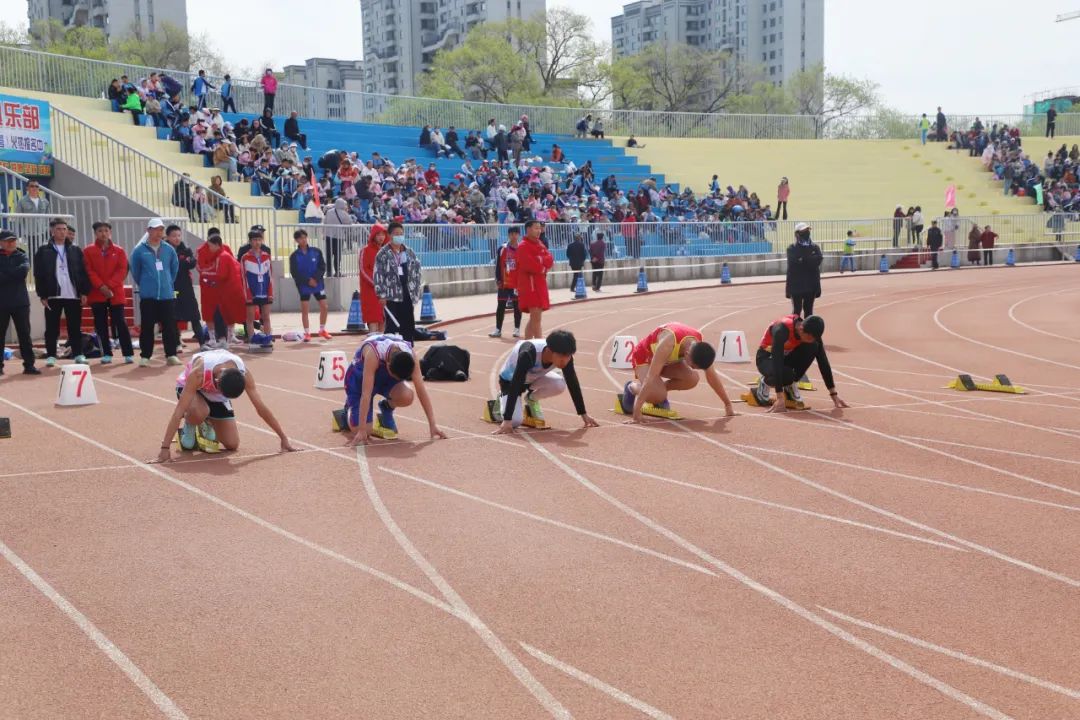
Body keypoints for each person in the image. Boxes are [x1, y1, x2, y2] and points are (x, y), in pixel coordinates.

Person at [152, 347, 296, 463]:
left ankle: (208, 420)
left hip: (216, 398)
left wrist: (283, 438)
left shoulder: (244, 374)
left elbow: (260, 408)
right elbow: (178, 412)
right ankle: (192, 423)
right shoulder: (199, 373)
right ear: (217, 378)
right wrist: (164, 448)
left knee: (232, 444)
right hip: (191, 389)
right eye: (218, 389)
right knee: (199, 413)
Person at [342, 333, 446, 445]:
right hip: (359, 379)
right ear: (387, 364)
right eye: (395, 376)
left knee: (407, 396)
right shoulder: (373, 354)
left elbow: (421, 390)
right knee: (364, 431)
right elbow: (366, 394)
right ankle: (348, 409)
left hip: (383, 379)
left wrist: (432, 424)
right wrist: (361, 430)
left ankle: (386, 407)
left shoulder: (410, 354)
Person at [619, 322, 733, 423]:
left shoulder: (699, 347)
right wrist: (637, 411)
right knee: (658, 395)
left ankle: (658, 393)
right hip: (645, 357)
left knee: (692, 379)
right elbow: (651, 376)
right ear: (687, 354)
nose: (692, 368)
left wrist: (727, 404)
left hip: (666, 361)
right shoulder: (668, 344)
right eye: (692, 365)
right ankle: (632, 387)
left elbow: (712, 376)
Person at [493, 330, 599, 434]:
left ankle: (531, 399)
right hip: (510, 381)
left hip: (533, 378)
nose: (565, 360)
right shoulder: (528, 353)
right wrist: (507, 420)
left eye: (568, 356)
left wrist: (583, 414)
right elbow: (516, 383)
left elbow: (572, 382)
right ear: (549, 350)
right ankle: (499, 400)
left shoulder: (566, 356)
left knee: (559, 384)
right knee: (515, 421)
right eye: (561, 356)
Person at [749, 314, 848, 413]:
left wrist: (833, 394)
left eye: (813, 338)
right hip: (766, 358)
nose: (811, 340)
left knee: (814, 346)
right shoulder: (782, 329)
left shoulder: (811, 332)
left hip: (785, 357)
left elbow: (823, 361)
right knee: (787, 375)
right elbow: (777, 361)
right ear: (801, 329)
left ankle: (789, 386)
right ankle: (764, 384)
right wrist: (780, 397)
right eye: (809, 338)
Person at [33, 218, 89, 367]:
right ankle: (51, 355)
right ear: (52, 231)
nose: (63, 232)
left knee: (75, 326)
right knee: (52, 327)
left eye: (64, 229)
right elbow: (38, 274)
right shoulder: (43, 250)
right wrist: (42, 295)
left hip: (72, 294)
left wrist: (83, 292)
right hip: (53, 294)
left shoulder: (75, 249)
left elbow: (82, 272)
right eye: (59, 229)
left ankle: (78, 353)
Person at [129, 218, 181, 366]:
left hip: (166, 295)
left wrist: (167, 283)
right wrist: (146, 284)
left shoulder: (169, 249)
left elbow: (174, 269)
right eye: (155, 229)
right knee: (147, 326)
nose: (159, 232)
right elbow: (136, 271)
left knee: (169, 326)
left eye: (161, 229)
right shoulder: (139, 251)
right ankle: (145, 355)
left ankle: (171, 354)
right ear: (148, 231)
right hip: (148, 295)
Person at [83, 221, 134, 364]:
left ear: (110, 232)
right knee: (100, 324)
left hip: (115, 292)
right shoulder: (88, 251)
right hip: (97, 293)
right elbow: (89, 270)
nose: (103, 233)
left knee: (120, 322)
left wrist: (109, 286)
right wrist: (101, 286)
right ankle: (106, 352)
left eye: (106, 230)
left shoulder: (119, 250)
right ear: (95, 233)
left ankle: (128, 353)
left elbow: (122, 270)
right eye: (100, 231)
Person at [374, 222, 421, 342]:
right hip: (391, 294)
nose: (399, 236)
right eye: (396, 234)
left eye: (401, 234)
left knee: (408, 323)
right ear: (389, 235)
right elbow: (378, 274)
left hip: (407, 293)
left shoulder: (409, 252)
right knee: (392, 325)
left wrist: (415, 291)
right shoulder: (383, 254)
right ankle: (390, 352)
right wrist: (381, 294)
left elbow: (417, 271)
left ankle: (408, 349)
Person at [0, 230, 39, 375]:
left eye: (13, 240)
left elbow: (23, 271)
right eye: (7, 241)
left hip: (20, 302)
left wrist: (6, 273)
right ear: (1, 243)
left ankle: (29, 365)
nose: (11, 243)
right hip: (1, 302)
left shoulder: (22, 255)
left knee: (24, 335)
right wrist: (12, 274)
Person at [196, 229, 244, 346]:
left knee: (228, 309)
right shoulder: (201, 250)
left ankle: (230, 335)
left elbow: (233, 266)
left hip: (224, 286)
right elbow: (200, 268)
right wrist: (215, 270)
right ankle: (212, 337)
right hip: (208, 286)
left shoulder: (225, 249)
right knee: (208, 311)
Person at [164, 224, 204, 349]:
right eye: (174, 236)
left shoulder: (186, 250)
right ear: (168, 237)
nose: (177, 238)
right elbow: (169, 266)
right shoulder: (163, 250)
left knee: (194, 314)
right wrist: (183, 262)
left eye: (179, 235)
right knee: (173, 315)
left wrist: (187, 261)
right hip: (172, 288)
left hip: (186, 287)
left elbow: (192, 263)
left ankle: (203, 343)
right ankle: (176, 343)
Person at [289, 229, 331, 341]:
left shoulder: (316, 251)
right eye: (300, 238)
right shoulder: (294, 256)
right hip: (304, 286)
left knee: (324, 306)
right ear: (296, 240)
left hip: (318, 284)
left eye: (304, 237)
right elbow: (295, 273)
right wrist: (308, 281)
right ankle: (307, 333)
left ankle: (322, 330)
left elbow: (322, 267)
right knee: (305, 309)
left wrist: (315, 279)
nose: (303, 240)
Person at [516, 220, 552, 340]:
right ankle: (539, 346)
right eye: (536, 228)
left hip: (539, 284)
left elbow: (550, 259)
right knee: (536, 318)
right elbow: (529, 265)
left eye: (540, 228)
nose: (539, 231)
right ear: (528, 229)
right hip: (530, 286)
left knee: (534, 318)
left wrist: (540, 260)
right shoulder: (523, 246)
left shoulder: (540, 243)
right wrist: (542, 264)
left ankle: (527, 344)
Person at [238, 228, 273, 343]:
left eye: (259, 239)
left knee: (266, 317)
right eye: (254, 240)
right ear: (250, 241)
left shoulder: (266, 256)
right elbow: (243, 277)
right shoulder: (245, 257)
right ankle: (252, 339)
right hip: (251, 291)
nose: (257, 242)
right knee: (250, 318)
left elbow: (270, 275)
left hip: (264, 291)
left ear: (262, 240)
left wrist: (270, 292)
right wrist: (247, 294)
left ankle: (268, 338)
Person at [489, 226, 522, 338]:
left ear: (518, 235)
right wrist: (498, 279)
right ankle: (498, 329)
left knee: (517, 306)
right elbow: (498, 265)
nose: (513, 236)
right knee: (501, 306)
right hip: (504, 283)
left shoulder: (522, 248)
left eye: (515, 233)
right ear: (508, 235)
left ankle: (517, 329)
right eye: (511, 234)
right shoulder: (502, 249)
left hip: (517, 284)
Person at [785, 222, 822, 317]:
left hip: (811, 285)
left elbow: (818, 261)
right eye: (804, 231)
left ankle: (808, 331)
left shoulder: (815, 247)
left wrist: (802, 259)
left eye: (807, 230)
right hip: (796, 286)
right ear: (797, 234)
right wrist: (809, 259)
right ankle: (794, 331)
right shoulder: (791, 248)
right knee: (797, 311)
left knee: (809, 311)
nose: (807, 233)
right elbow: (793, 266)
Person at [361, 224, 388, 334]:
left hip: (384, 291)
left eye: (383, 234)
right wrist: (376, 284)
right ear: (373, 236)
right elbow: (363, 270)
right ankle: (373, 344)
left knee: (383, 318)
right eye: (378, 234)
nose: (381, 237)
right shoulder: (366, 250)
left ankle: (381, 345)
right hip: (370, 292)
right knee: (373, 318)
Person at [322, 197, 353, 277]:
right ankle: (337, 271)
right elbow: (349, 223)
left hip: (328, 235)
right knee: (337, 255)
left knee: (329, 254)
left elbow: (324, 222)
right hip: (339, 237)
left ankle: (329, 272)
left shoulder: (329, 212)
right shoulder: (344, 213)